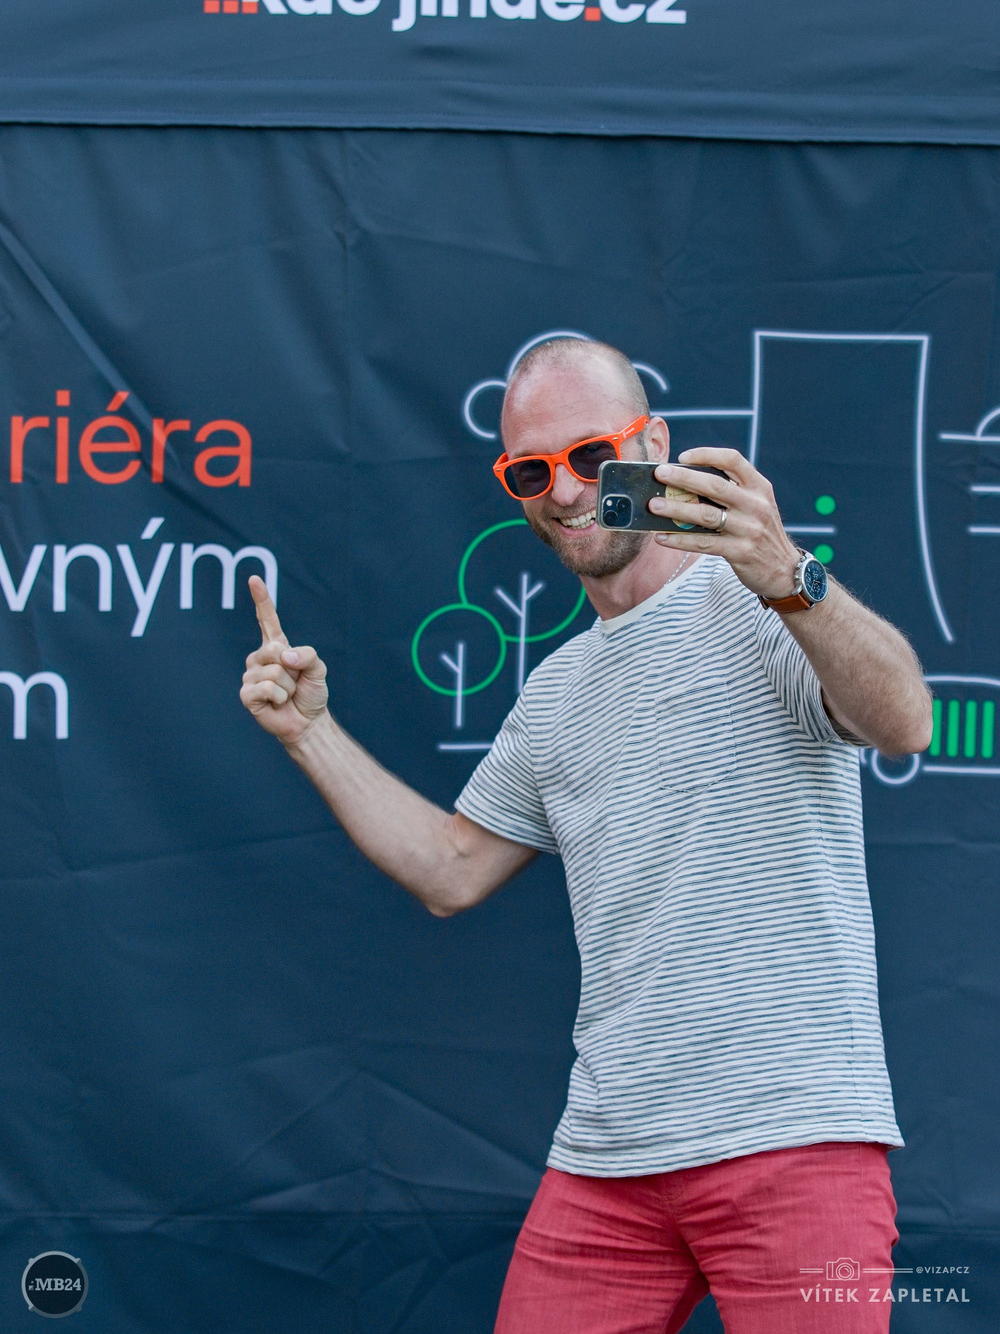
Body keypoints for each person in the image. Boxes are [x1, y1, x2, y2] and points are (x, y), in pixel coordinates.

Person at [241, 336, 932, 1334]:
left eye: (592, 456)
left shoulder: (768, 604)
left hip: (793, 1135)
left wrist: (789, 572)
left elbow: (905, 722)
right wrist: (309, 735)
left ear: (653, 444)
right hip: (608, 1163)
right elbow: (451, 869)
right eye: (531, 471)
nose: (565, 491)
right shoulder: (555, 691)